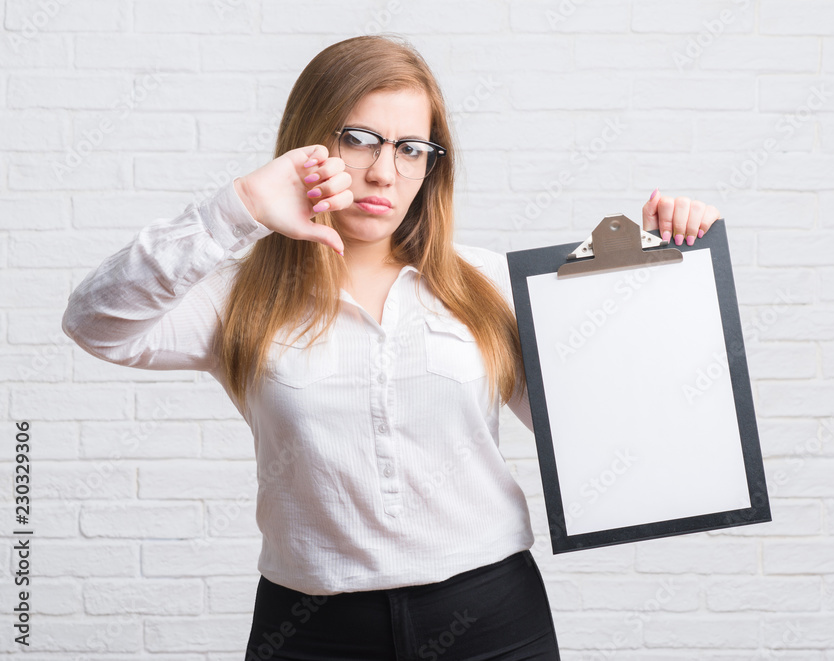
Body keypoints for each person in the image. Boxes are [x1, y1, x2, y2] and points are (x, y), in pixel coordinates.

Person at [61, 34, 720, 661]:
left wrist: (664, 268)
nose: (383, 172)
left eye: (410, 148)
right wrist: (240, 206)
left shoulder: (487, 283)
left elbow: (596, 425)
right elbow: (94, 321)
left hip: (492, 616)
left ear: (431, 165)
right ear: (309, 141)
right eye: (358, 140)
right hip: (310, 628)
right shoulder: (240, 296)